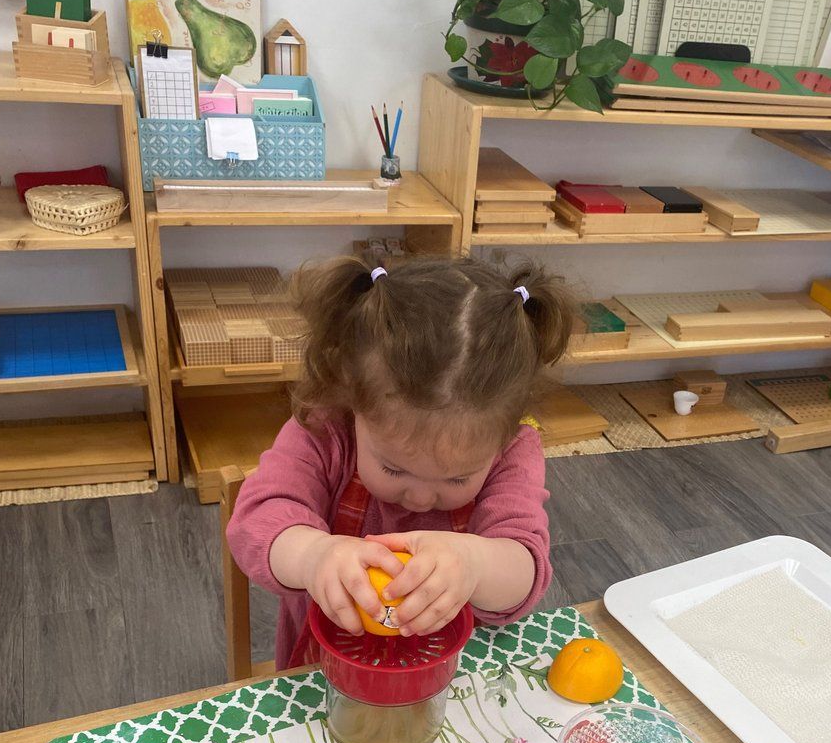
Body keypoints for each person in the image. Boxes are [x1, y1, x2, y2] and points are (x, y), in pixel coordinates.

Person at [227, 252, 579, 669]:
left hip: (453, 672)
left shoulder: (515, 449)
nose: (419, 497)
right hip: (327, 666)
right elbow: (257, 520)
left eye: (457, 479)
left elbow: (525, 566)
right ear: (353, 402)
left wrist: (475, 564)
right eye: (394, 469)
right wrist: (312, 555)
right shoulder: (325, 430)